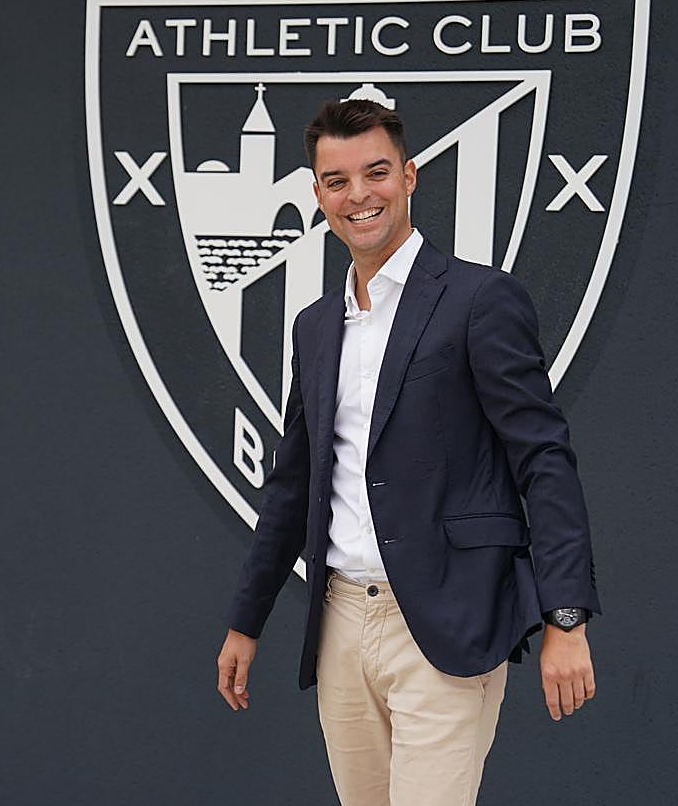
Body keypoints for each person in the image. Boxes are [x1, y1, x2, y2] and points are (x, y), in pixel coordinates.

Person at [215, 97, 599, 806]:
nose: (359, 195)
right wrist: (247, 619)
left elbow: (543, 457)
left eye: (377, 172)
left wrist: (565, 617)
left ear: (412, 176)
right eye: (337, 181)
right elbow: (293, 483)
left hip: (446, 625)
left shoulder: (482, 299)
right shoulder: (315, 325)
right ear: (317, 195)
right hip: (338, 624)